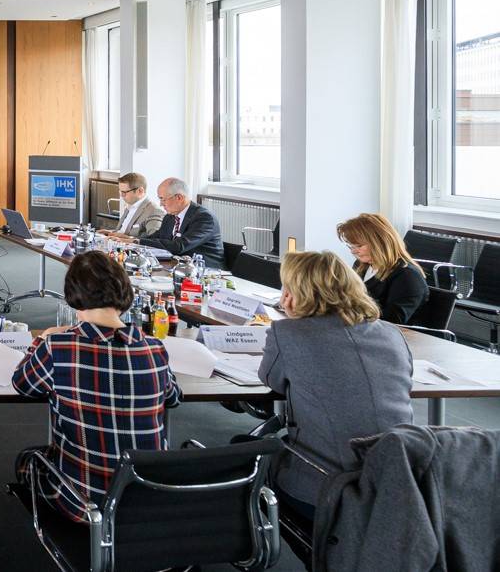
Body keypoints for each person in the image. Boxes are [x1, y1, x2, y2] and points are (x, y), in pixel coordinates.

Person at [12, 250, 181, 523]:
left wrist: (41, 340)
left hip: (83, 501)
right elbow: (173, 397)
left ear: (74, 295)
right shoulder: (154, 349)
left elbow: (22, 384)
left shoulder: (59, 347)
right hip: (151, 497)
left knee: (27, 460)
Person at [258, 250, 413, 521]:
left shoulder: (288, 334)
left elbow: (273, 382)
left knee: (258, 459)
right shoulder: (392, 334)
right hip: (399, 480)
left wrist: (292, 321)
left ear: (295, 293)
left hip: (324, 483)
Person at [336, 213, 429, 324]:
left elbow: (391, 321)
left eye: (359, 246)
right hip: (362, 330)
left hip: (398, 336)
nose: (353, 251)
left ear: (380, 242)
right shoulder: (360, 266)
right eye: (351, 246)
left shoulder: (407, 276)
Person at [115, 177, 224, 269]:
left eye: (163, 199)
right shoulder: (170, 217)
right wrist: (130, 241)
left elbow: (179, 245)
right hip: (176, 266)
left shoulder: (204, 218)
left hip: (205, 270)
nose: (161, 204)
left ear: (179, 197)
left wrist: (136, 241)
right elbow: (156, 237)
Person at [99, 172, 164, 240]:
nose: (121, 195)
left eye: (124, 192)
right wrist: (110, 232)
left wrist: (128, 238)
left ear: (140, 191)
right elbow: (123, 232)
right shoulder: (130, 204)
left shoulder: (154, 211)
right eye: (120, 192)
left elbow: (155, 242)